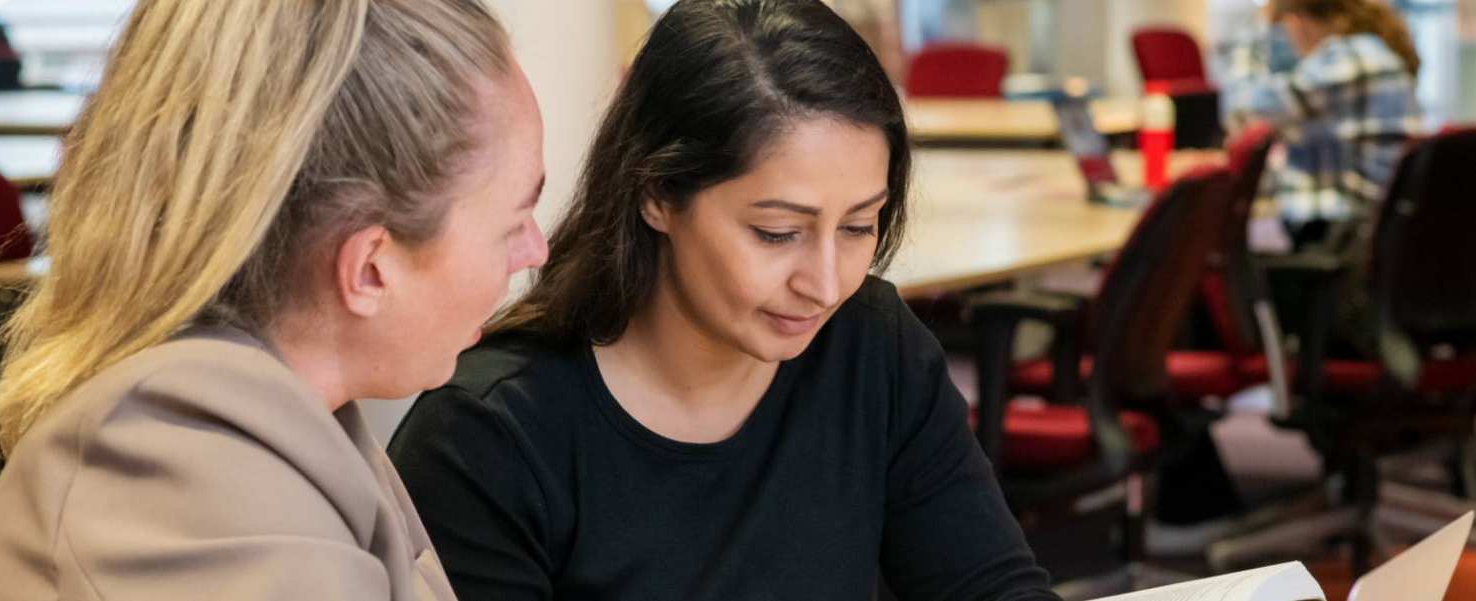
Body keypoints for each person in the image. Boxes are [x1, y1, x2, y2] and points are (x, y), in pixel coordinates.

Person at [388, 1, 1057, 599]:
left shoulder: (872, 346)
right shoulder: (487, 440)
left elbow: (991, 583)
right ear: (656, 194)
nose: (826, 284)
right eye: (777, 233)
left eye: (859, 226)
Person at [0, 0, 546, 599]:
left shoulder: (281, 421)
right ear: (370, 269)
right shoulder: (184, 475)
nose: (535, 251)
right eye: (514, 221)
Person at [1221, 0, 1422, 249]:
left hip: (1340, 238)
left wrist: (1257, 27)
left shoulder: (1350, 59)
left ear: (1296, 20)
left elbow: (1243, 110)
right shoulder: (1372, 52)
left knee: (1220, 249)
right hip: (1368, 233)